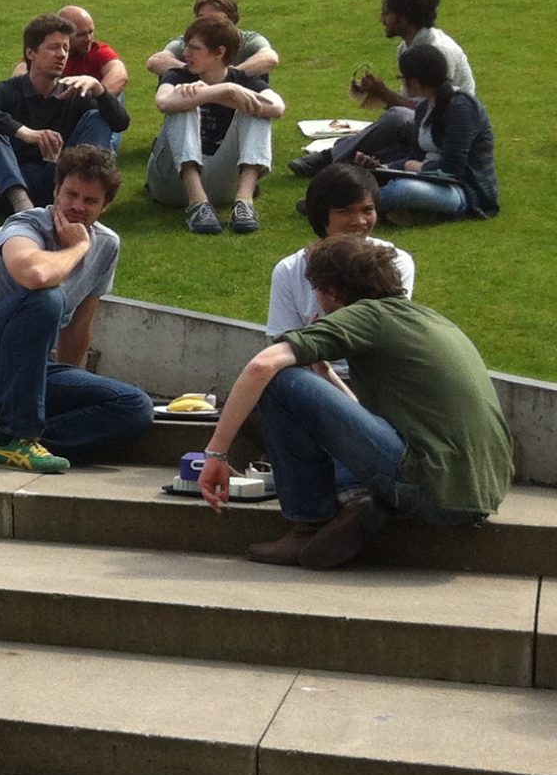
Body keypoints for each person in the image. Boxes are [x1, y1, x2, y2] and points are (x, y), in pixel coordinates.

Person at [201, 236, 511, 570]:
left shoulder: (367, 316)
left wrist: (216, 454)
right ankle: (358, 500)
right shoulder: (426, 319)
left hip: (430, 488)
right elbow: (374, 423)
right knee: (316, 430)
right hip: (474, 493)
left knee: (281, 381)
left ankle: (309, 523)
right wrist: (330, 378)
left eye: (318, 290)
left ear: (332, 292)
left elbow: (263, 366)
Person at [0, 144, 151, 474]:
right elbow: (35, 276)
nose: (78, 206)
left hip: (29, 370)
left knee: (135, 407)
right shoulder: (26, 225)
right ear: (55, 192)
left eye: (90, 200)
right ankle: (16, 437)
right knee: (47, 297)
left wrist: (73, 384)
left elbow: (80, 325)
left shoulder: (107, 244)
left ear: (105, 207)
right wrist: (78, 246)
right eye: (71, 195)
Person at [0, 14, 131, 212]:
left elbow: (120, 123)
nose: (62, 54)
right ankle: (23, 208)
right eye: (53, 47)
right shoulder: (10, 90)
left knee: (98, 118)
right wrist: (25, 133)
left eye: (65, 48)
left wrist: (99, 90)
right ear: (31, 53)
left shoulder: (72, 92)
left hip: (58, 185)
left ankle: (85, 195)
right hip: (7, 188)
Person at [269, 162, 413, 379]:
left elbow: (389, 334)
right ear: (322, 216)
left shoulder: (394, 262)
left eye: (367, 210)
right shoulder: (289, 270)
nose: (359, 222)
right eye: (345, 212)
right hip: (311, 379)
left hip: (376, 379)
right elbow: (281, 343)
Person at [146, 16, 285, 235]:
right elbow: (163, 102)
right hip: (172, 182)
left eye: (194, 49)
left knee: (256, 111)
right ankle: (197, 205)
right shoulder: (179, 75)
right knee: (181, 103)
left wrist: (221, 91)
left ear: (219, 52)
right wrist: (224, 92)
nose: (185, 55)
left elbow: (277, 107)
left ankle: (244, 203)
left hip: (222, 184)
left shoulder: (242, 81)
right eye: (186, 47)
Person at [337, 0, 474, 171]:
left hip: (444, 128)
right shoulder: (406, 48)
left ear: (403, 18)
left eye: (386, 13)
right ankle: (350, 158)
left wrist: (384, 93)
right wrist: (375, 93)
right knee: (375, 143)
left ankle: (330, 157)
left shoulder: (439, 51)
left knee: (397, 119)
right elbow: (413, 103)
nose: (382, 20)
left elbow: (430, 109)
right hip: (425, 126)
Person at [367, 43, 497, 222]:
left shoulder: (461, 107)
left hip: (463, 190)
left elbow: (451, 169)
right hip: (428, 181)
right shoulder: (424, 107)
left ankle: (367, 205)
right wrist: (382, 169)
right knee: (365, 179)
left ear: (413, 81)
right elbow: (414, 156)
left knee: (401, 191)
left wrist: (416, 167)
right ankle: (410, 211)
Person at [142, 0, 278, 83]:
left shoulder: (247, 41)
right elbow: (156, 61)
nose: (208, 24)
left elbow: (269, 58)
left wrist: (229, 76)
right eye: (202, 18)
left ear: (232, 19)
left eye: (215, 19)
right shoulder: (191, 42)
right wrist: (196, 72)